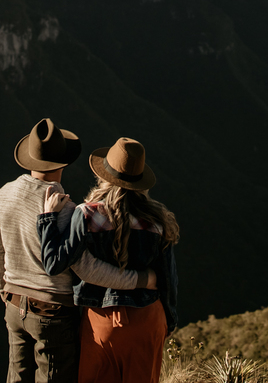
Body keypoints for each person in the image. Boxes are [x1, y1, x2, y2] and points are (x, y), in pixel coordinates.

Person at [0, 119, 158, 383]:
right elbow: (88, 269)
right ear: (64, 164)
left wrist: (4, 291)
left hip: (13, 302)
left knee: (16, 376)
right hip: (52, 312)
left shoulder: (3, 194)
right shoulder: (67, 212)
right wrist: (140, 279)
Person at [38, 137, 179, 383]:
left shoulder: (87, 215)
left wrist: (49, 219)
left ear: (104, 176)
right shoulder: (158, 222)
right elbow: (168, 278)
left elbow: (54, 263)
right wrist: (169, 320)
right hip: (148, 320)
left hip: (101, 320)